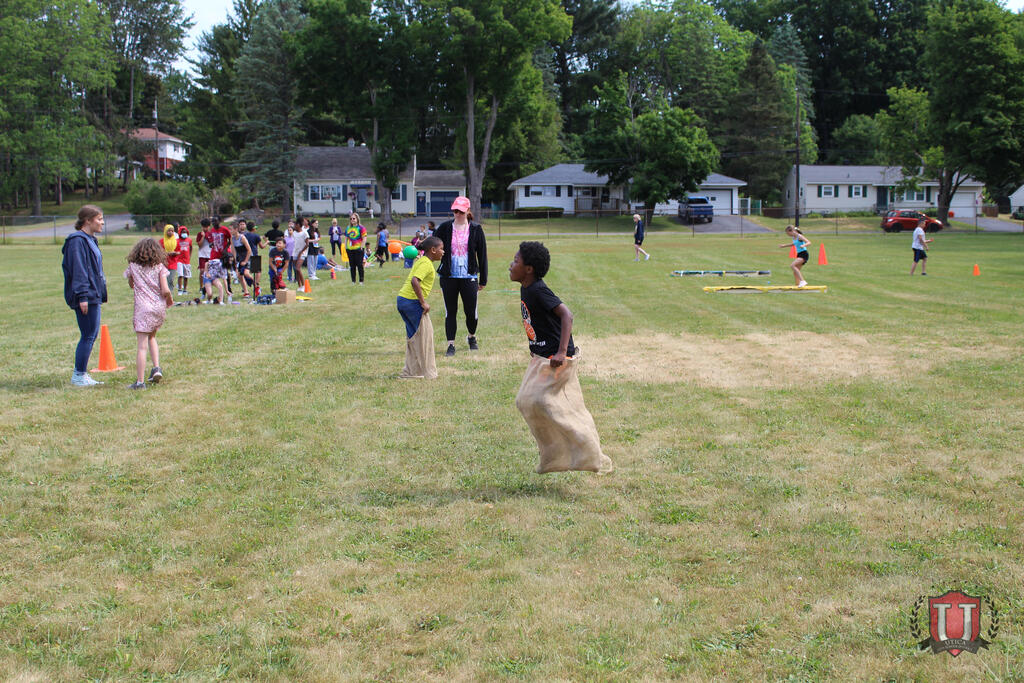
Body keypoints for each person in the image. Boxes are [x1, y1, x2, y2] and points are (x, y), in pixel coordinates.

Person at [509, 241, 613, 474]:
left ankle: (586, 452)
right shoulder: (527, 287)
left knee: (540, 402)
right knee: (528, 401)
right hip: (543, 356)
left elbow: (567, 315)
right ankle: (556, 456)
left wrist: (561, 352)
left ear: (529, 269)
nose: (511, 264)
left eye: (516, 261)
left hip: (556, 358)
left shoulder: (538, 290)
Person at [434, 196, 487, 356]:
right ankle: (451, 344)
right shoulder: (445, 227)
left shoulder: (476, 229)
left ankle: (471, 337)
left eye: (461, 211)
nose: (457, 214)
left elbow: (482, 255)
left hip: (469, 275)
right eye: (455, 211)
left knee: (471, 312)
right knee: (450, 311)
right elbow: (432, 244)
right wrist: (421, 248)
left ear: (467, 211)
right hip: (448, 276)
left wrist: (483, 279)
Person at [62, 205, 108, 386]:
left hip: (93, 293)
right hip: (86, 295)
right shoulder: (77, 241)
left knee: (91, 334)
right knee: (88, 335)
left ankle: (82, 374)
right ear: (87, 221)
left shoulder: (90, 240)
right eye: (99, 219)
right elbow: (79, 269)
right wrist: (82, 296)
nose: (102, 223)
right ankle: (78, 375)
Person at [124, 238, 174, 389]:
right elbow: (165, 290)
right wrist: (169, 299)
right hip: (158, 307)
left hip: (142, 308)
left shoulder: (133, 267)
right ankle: (156, 368)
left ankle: (140, 382)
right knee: (152, 336)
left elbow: (131, 284)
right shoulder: (160, 267)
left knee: (141, 346)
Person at [396, 236, 444, 379]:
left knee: (414, 338)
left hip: (403, 300)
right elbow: (414, 281)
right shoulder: (426, 263)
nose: (443, 252)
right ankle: (429, 373)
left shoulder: (422, 260)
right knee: (425, 338)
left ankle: (411, 372)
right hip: (412, 302)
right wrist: (423, 302)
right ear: (433, 250)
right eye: (441, 249)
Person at [205, 217, 232, 304]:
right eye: (212, 221)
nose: (213, 223)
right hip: (215, 253)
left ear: (219, 221)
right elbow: (213, 240)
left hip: (223, 254)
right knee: (210, 270)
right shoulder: (212, 230)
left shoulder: (224, 229)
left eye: (215, 221)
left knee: (225, 272)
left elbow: (230, 240)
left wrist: (226, 249)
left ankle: (228, 289)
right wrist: (211, 244)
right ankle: (206, 289)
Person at [231, 220, 253, 297]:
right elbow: (233, 251)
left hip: (247, 257)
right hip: (240, 259)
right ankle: (246, 292)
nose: (230, 231)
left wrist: (246, 261)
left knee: (246, 273)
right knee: (239, 276)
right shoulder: (232, 239)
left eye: (231, 229)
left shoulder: (242, 238)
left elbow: (249, 250)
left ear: (236, 229)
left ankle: (256, 286)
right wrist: (234, 261)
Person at [345, 212, 367, 284]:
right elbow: (346, 238)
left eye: (354, 218)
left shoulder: (361, 228)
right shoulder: (348, 228)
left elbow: (364, 238)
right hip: (350, 249)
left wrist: (361, 247)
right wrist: (346, 247)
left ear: (357, 219)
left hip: (358, 249)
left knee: (360, 265)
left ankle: (361, 281)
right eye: (351, 219)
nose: (352, 220)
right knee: (352, 266)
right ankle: (353, 281)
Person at [244, 221, 264, 295]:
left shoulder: (244, 235)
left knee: (247, 271)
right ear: (253, 228)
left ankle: (254, 284)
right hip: (254, 254)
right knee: (258, 271)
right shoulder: (256, 236)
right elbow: (262, 246)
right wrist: (267, 242)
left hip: (246, 255)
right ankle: (257, 285)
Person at [196, 218, 213, 301]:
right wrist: (203, 236)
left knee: (209, 272)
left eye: (206, 227)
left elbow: (212, 244)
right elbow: (199, 244)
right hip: (202, 255)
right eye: (203, 227)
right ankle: (201, 286)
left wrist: (207, 236)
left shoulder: (211, 233)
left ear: (209, 226)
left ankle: (208, 287)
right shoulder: (200, 234)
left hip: (210, 255)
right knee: (202, 271)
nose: (205, 228)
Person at [291, 219, 308, 289]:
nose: (294, 226)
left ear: (298, 225)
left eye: (295, 225)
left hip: (302, 253)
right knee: (296, 270)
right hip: (295, 253)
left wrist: (301, 252)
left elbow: (307, 244)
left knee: (298, 268)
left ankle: (304, 286)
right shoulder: (294, 233)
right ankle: (299, 286)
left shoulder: (304, 233)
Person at [176, 226, 192, 296]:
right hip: (179, 260)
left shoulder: (189, 240)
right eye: (182, 232)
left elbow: (191, 248)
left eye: (185, 232)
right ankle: (180, 289)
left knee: (186, 276)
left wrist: (189, 256)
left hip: (187, 261)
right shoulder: (177, 241)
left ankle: (185, 290)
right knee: (180, 275)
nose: (184, 234)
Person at [162, 224, 179, 289]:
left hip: (173, 263)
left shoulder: (176, 241)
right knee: (163, 280)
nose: (171, 232)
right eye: (169, 231)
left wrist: (176, 253)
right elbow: (158, 252)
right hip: (164, 263)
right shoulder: (161, 241)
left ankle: (170, 293)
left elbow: (179, 251)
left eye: (172, 231)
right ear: (165, 231)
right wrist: (167, 253)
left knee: (171, 280)